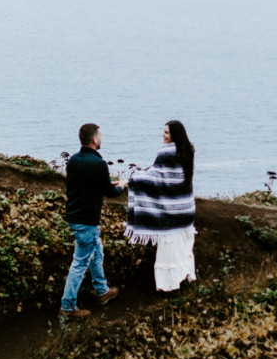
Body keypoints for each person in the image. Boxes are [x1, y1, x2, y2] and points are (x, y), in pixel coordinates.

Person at [60, 122, 125, 320]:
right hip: (87, 221)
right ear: (94, 140)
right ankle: (67, 307)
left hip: (75, 217)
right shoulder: (98, 164)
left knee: (97, 252)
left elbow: (85, 185)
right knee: (80, 263)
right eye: (101, 136)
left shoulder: (73, 161)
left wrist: (106, 182)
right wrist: (121, 185)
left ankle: (102, 291)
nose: (102, 139)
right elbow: (111, 193)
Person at [125, 120, 196, 293]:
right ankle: (186, 276)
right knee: (182, 247)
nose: (162, 135)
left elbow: (155, 175)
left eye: (166, 133)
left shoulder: (166, 152)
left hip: (172, 212)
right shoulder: (188, 150)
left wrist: (132, 180)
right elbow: (170, 177)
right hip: (186, 208)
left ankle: (169, 285)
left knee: (169, 250)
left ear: (174, 135)